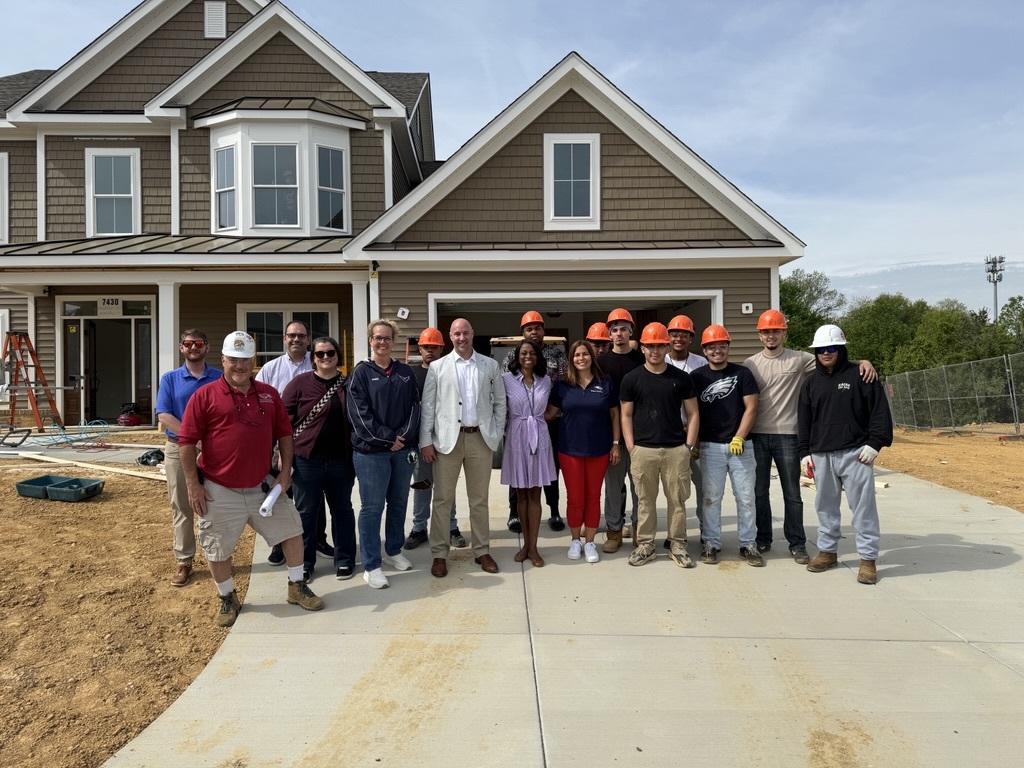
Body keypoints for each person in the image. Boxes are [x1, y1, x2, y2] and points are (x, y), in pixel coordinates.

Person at [178, 331, 323, 627]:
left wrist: (284, 473)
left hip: (262, 487)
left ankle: (296, 586)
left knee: (292, 532)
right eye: (233, 359)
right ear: (223, 360)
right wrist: (193, 485)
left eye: (245, 360)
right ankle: (227, 597)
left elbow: (284, 433)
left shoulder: (268, 394)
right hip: (219, 489)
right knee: (217, 547)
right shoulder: (204, 396)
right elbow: (187, 442)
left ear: (253, 361)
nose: (239, 365)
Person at [744, 309, 876, 565]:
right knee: (759, 492)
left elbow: (835, 360)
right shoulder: (750, 364)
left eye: (776, 330)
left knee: (792, 492)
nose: (771, 335)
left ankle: (796, 542)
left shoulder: (800, 359)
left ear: (784, 332)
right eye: (766, 331)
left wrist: (864, 362)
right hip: (758, 435)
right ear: (759, 335)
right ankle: (763, 539)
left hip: (789, 436)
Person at [799, 324, 893, 585]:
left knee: (863, 509)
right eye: (821, 350)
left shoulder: (862, 376)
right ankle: (828, 552)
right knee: (825, 507)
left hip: (856, 453)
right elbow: (804, 421)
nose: (826, 353)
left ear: (841, 349)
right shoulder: (810, 385)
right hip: (821, 454)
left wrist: (875, 443)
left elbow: (879, 412)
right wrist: (804, 452)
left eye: (831, 348)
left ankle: (867, 560)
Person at [420, 318, 506, 578]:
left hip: (480, 439)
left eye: (465, 333)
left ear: (472, 334)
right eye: (456, 333)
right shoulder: (437, 367)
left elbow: (500, 403)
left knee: (479, 500)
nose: (461, 338)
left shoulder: (489, 365)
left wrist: (496, 431)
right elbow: (428, 406)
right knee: (443, 500)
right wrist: (426, 440)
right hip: (447, 440)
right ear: (450, 336)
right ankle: (439, 553)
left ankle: (482, 550)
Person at [346, 319, 420, 590]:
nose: (382, 342)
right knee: (372, 508)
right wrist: (388, 439)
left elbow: (415, 407)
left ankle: (393, 550)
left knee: (399, 503)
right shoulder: (360, 373)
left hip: (403, 451)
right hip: (371, 453)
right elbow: (359, 416)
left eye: (387, 338)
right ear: (370, 341)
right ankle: (371, 565)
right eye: (377, 338)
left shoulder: (405, 372)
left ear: (394, 341)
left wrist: (403, 437)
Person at [619, 323, 699, 568]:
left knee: (677, 500)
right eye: (650, 346)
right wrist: (632, 446)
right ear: (642, 348)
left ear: (667, 346)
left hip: (676, 449)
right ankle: (646, 545)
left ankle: (678, 544)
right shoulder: (632, 379)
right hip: (644, 450)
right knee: (645, 500)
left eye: (659, 345)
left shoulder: (681, 378)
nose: (655, 351)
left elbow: (693, 413)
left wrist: (688, 446)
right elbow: (626, 415)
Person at [281, 336, 357, 582]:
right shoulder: (299, 384)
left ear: (338, 356)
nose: (326, 357)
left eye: (330, 353)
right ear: (313, 357)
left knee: (342, 510)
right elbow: (283, 423)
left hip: (341, 461)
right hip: (306, 461)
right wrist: (282, 455)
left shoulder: (349, 384)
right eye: (320, 353)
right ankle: (304, 563)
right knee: (306, 513)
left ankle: (344, 559)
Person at [256, 320, 328, 566]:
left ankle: (318, 538)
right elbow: (258, 405)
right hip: (278, 438)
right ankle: (279, 544)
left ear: (308, 339)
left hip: (312, 439)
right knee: (280, 492)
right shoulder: (269, 369)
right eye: (291, 335)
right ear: (284, 339)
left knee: (313, 494)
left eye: (301, 336)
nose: (296, 339)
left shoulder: (318, 361)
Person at [689, 324, 762, 567]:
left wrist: (739, 436)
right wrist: (696, 442)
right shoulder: (697, 377)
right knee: (710, 498)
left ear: (728, 347)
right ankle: (711, 542)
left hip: (741, 446)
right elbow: (692, 413)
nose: (717, 350)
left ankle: (748, 544)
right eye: (712, 347)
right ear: (705, 350)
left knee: (745, 497)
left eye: (722, 346)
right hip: (710, 447)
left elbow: (751, 407)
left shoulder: (742, 374)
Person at [155, 329, 221, 587]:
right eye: (188, 344)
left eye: (199, 343)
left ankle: (218, 555)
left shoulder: (219, 377)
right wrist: (193, 438)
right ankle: (184, 561)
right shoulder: (170, 379)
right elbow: (165, 415)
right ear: (181, 348)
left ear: (207, 347)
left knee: (215, 504)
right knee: (181, 505)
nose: (194, 347)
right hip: (178, 449)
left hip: (214, 450)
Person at [546, 339, 620, 564]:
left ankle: (590, 543)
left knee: (593, 497)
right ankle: (575, 540)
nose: (581, 358)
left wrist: (616, 443)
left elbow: (615, 415)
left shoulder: (606, 383)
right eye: (576, 355)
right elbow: (549, 413)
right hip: (569, 450)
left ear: (591, 357)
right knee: (575, 497)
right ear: (571, 359)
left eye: (585, 354)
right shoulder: (562, 385)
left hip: (599, 449)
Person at [501, 310, 567, 533]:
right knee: (517, 469)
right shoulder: (513, 355)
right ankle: (514, 513)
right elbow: (505, 392)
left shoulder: (557, 355)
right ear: (523, 332)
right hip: (520, 424)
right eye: (529, 328)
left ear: (543, 330)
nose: (534, 332)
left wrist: (550, 413)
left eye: (537, 328)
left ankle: (554, 510)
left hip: (548, 422)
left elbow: (563, 385)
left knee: (550, 469)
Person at [404, 327, 464, 551]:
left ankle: (451, 527)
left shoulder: (450, 371)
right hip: (422, 441)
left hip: (448, 439)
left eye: (434, 347)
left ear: (442, 348)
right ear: (419, 348)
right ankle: (419, 527)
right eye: (426, 347)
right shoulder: (411, 374)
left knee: (446, 487)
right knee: (422, 485)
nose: (430, 350)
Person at [501, 339, 557, 567]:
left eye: (532, 353)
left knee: (535, 493)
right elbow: (497, 405)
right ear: (517, 356)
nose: (527, 357)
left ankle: (533, 547)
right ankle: (525, 544)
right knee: (521, 493)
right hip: (516, 437)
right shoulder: (506, 380)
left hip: (540, 438)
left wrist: (543, 419)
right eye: (523, 353)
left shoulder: (546, 381)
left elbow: (556, 405)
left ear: (537, 357)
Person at [600, 307, 645, 553]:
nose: (619, 334)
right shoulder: (601, 363)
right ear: (610, 335)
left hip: (641, 435)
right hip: (612, 437)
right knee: (613, 487)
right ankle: (614, 531)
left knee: (640, 487)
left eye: (623, 329)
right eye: (615, 330)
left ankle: (640, 530)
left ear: (631, 332)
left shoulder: (643, 360)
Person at [664, 314, 707, 549]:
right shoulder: (660, 360)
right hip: (669, 435)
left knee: (702, 486)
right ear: (667, 337)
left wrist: (696, 435)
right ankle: (675, 533)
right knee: (674, 489)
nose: (678, 338)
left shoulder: (700, 364)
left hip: (697, 434)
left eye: (684, 334)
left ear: (691, 337)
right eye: (674, 333)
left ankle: (705, 530)